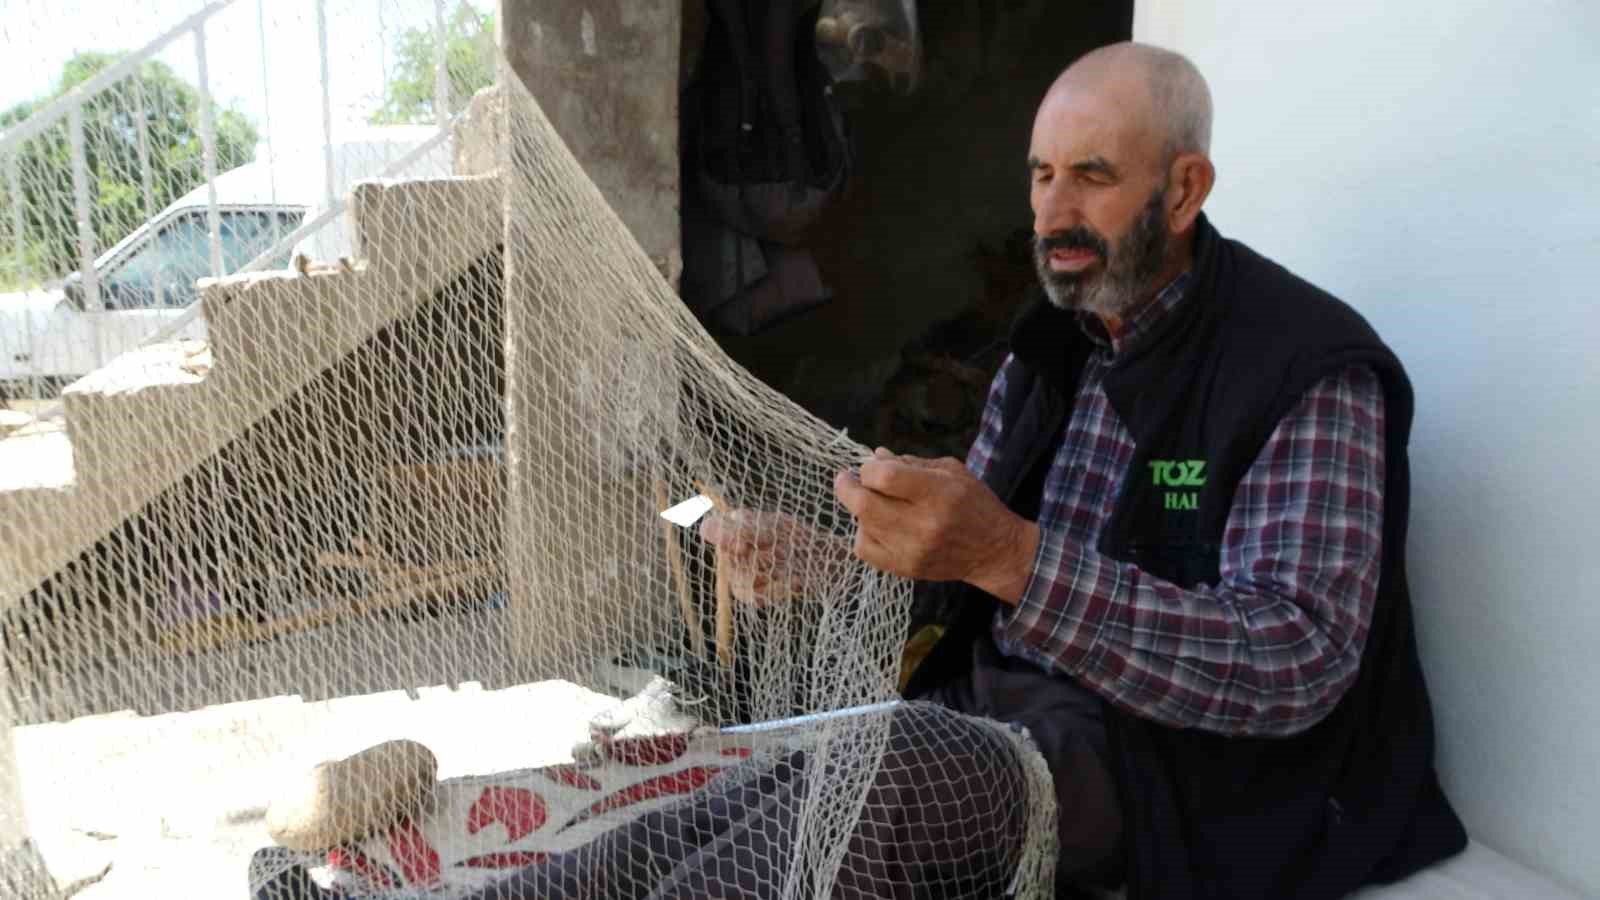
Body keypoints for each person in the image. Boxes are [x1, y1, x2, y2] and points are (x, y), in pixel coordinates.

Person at [709, 40, 1468, 898]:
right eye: (1041, 176)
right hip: (1003, 714)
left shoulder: (1303, 367)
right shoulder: (1051, 344)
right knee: (747, 790)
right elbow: (961, 577)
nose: (1051, 214)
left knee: (878, 790)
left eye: (1092, 177)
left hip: (1178, 777)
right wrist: (831, 565)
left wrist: (1012, 558)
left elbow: (1296, 661)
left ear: (1183, 191)